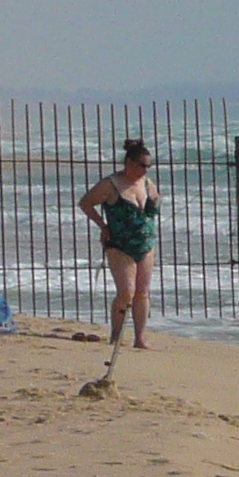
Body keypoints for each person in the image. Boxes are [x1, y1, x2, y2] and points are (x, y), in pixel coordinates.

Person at [77, 138, 161, 350]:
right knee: (127, 292)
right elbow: (85, 202)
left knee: (143, 291)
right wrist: (103, 226)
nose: (145, 170)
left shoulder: (147, 183)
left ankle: (140, 338)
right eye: (142, 165)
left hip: (146, 243)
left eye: (148, 166)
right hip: (119, 244)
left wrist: (152, 207)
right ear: (129, 163)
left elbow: (156, 201)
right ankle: (115, 336)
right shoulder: (110, 184)